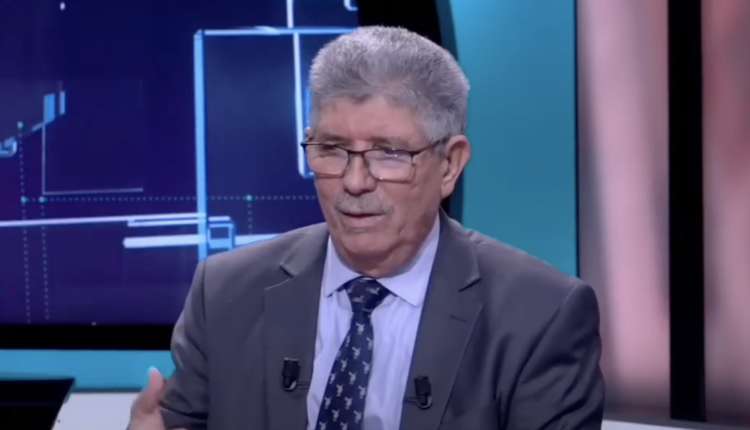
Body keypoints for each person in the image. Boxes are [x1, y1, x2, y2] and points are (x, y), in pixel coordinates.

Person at [128, 26, 604, 430]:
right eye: (332, 149)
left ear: (450, 165)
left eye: (390, 153)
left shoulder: (541, 316)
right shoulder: (225, 292)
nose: (354, 182)